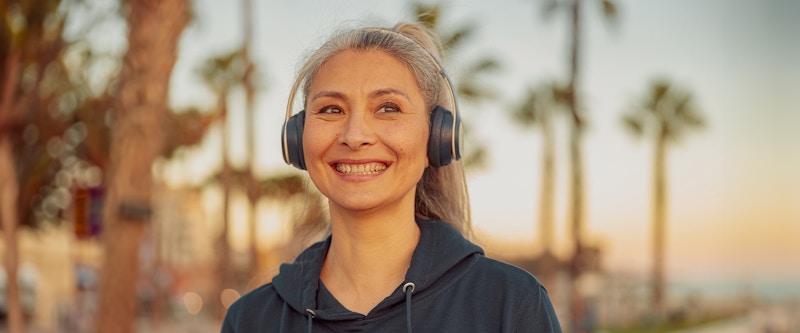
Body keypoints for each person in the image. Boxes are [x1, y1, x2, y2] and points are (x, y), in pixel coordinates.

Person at [221, 22, 562, 333]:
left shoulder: (511, 304)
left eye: (388, 108)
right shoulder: (250, 320)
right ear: (297, 139)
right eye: (331, 109)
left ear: (436, 138)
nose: (355, 136)